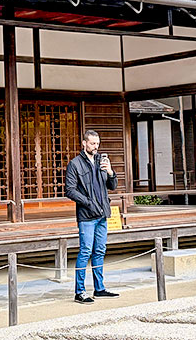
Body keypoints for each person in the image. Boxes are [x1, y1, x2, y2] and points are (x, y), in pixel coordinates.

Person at [65, 129, 120, 304]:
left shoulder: (101, 161)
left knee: (100, 251)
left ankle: (100, 288)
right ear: (84, 143)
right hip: (87, 216)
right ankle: (79, 291)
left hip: (103, 214)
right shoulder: (75, 164)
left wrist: (110, 172)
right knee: (86, 251)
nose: (95, 147)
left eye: (97, 144)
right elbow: (70, 190)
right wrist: (88, 202)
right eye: (92, 143)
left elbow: (112, 186)